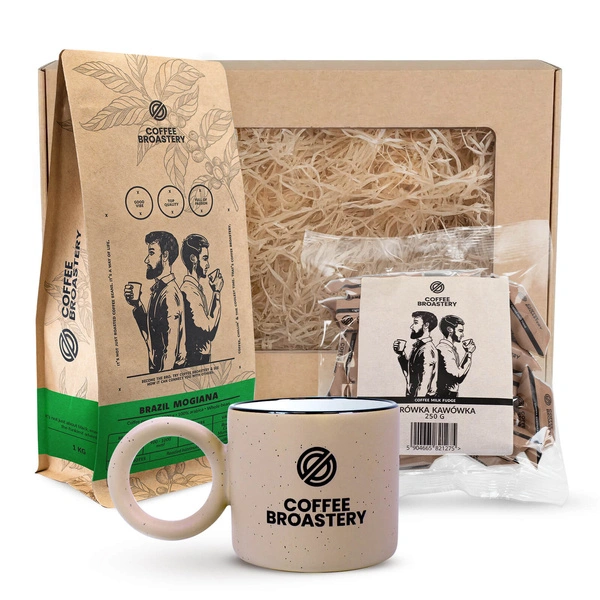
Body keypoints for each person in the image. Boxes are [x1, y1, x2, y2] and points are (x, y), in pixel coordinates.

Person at [124, 231, 186, 373]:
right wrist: (137, 305)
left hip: (165, 374)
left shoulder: (169, 294)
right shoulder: (160, 290)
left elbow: (170, 352)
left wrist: (161, 380)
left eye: (151, 253)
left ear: (165, 256)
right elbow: (151, 337)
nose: (146, 260)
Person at [180, 234, 224, 366]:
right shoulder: (189, 291)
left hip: (200, 359)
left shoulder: (195, 289)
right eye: (205, 258)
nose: (208, 264)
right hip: (195, 361)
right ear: (193, 258)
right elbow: (208, 331)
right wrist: (216, 292)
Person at [393, 311, 438, 398]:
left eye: (416, 322)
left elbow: (423, 386)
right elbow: (410, 374)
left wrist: (415, 402)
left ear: (426, 325)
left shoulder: (427, 350)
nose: (412, 326)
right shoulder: (420, 347)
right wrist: (401, 354)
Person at [436, 315, 476, 398]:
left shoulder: (448, 348)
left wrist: (467, 353)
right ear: (450, 330)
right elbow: (458, 376)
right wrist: (469, 353)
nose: (462, 335)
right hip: (445, 395)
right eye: (460, 331)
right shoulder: (444, 349)